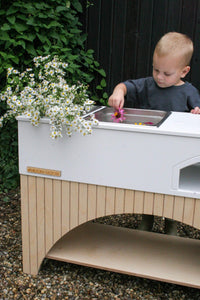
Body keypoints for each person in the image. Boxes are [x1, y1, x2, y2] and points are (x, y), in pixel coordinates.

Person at [108, 32, 200, 235]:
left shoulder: (189, 92)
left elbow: (197, 113)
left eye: (167, 73)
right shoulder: (148, 85)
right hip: (149, 148)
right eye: (156, 69)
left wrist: (196, 113)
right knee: (149, 184)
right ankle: (147, 218)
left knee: (172, 187)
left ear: (184, 71)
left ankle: (172, 222)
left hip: (176, 151)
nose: (159, 76)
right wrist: (118, 92)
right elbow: (125, 86)